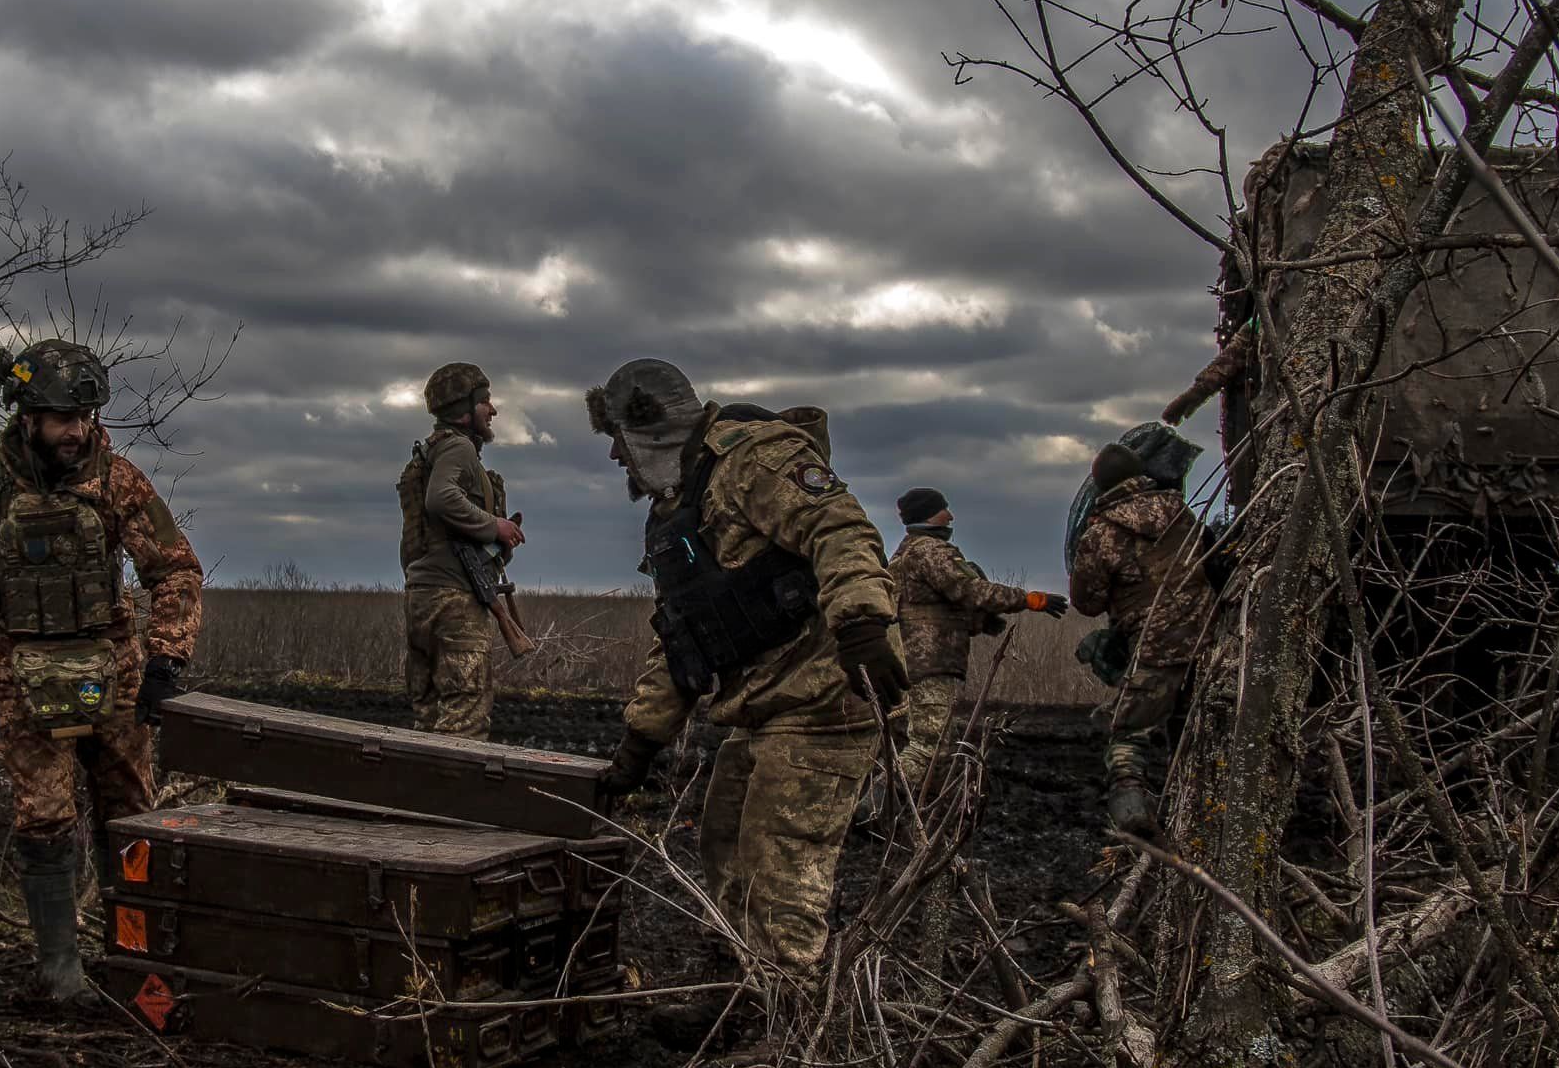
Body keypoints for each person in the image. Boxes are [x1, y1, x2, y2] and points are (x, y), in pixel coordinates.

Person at [0, 339, 202, 1005]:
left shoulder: (117, 480)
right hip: (22, 680)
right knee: (45, 820)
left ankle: (136, 961)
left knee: (132, 817)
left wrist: (168, 655)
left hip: (114, 678)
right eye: (61, 418)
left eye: (85, 417)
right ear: (26, 415)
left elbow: (174, 567)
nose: (77, 431)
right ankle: (59, 973)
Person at [587, 358, 907, 999]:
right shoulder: (681, 505)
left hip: (821, 699)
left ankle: (797, 1032)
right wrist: (640, 744)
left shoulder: (754, 459)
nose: (617, 457)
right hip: (763, 705)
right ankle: (750, 994)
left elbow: (840, 530)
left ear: (648, 427)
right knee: (725, 845)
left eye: (618, 439)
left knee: (778, 870)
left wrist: (862, 625)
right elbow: (684, 633)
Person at [1067, 443, 1216, 837]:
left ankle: (1133, 816)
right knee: (1192, 728)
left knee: (1129, 735)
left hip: (1154, 646)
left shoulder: (1100, 534)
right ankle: (1201, 812)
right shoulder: (1178, 511)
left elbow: (1085, 601)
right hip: (1209, 636)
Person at [888, 487, 1067, 789]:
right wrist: (1030, 600)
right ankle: (873, 810)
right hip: (929, 660)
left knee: (938, 750)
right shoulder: (929, 551)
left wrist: (977, 622)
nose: (951, 515)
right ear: (929, 514)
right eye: (944, 509)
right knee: (928, 748)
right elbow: (969, 590)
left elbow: (934, 604)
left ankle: (912, 818)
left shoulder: (907, 552)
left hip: (916, 658)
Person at [398, 362, 524, 741]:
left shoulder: (431, 452)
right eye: (485, 402)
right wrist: (495, 526)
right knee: (464, 721)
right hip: (454, 598)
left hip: (423, 596)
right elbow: (441, 499)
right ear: (465, 411)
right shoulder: (458, 448)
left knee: (429, 717)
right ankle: (450, 799)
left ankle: (418, 798)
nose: (493, 410)